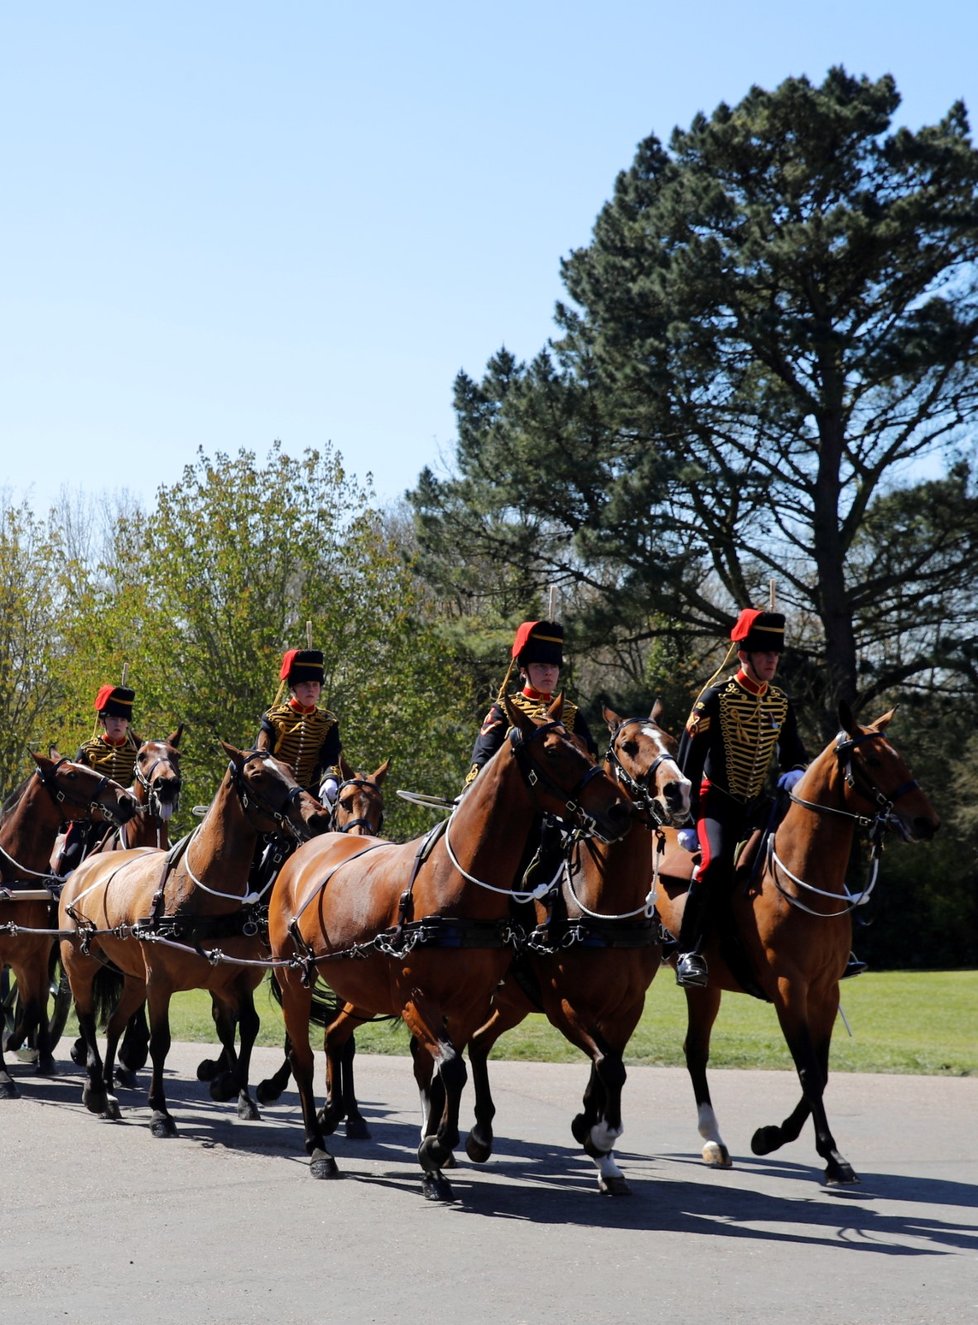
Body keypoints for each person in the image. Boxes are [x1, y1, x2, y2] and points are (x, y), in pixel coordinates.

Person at [673, 609, 809, 988]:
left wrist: (795, 770)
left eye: (775, 654)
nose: (771, 660)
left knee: (807, 849)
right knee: (715, 863)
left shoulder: (781, 701)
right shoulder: (715, 699)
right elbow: (688, 762)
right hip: (715, 802)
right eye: (763, 653)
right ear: (743, 655)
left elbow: (794, 752)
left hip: (758, 805)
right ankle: (689, 951)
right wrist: (686, 819)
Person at [464, 619, 598, 889]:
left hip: (565, 810)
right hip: (514, 808)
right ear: (524, 670)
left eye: (553, 667)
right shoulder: (505, 708)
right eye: (540, 666)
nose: (548, 673)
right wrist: (470, 790)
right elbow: (483, 756)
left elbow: (590, 759)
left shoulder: (570, 713)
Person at [57, 684, 140, 872]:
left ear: (127, 723)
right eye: (112, 719)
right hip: (91, 819)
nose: (117, 724)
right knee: (70, 857)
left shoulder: (135, 753)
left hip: (124, 818)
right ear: (103, 722)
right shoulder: (88, 749)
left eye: (122, 719)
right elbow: (75, 787)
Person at [255, 648, 343, 799]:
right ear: (293, 687)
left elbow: (332, 758)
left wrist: (330, 779)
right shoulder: (274, 718)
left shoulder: (327, 722)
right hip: (274, 793)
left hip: (312, 795)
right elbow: (261, 755)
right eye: (304, 684)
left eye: (315, 684)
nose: (311, 689)